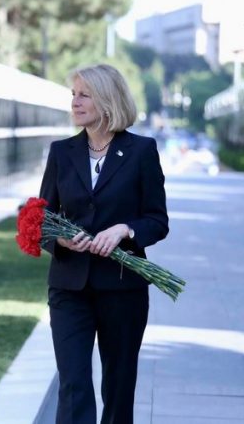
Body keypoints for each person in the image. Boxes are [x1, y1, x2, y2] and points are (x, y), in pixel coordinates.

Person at [39, 64, 169, 424]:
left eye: (85, 95)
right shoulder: (61, 152)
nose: (75, 102)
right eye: (73, 94)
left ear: (108, 99)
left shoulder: (142, 151)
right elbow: (41, 219)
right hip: (69, 287)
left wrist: (125, 230)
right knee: (73, 385)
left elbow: (157, 221)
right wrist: (61, 238)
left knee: (118, 387)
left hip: (122, 289)